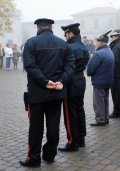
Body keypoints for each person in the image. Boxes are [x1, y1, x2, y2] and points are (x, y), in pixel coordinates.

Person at [20, 18, 75, 168]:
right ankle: (50, 155)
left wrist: (45, 82)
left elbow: (30, 66)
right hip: (57, 91)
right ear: (51, 27)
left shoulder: (31, 43)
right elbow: (71, 65)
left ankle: (34, 158)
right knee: (53, 125)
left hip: (37, 92)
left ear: (37, 28)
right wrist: (61, 81)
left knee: (36, 127)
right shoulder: (63, 44)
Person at [58, 23, 90, 152]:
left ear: (70, 33)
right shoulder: (83, 46)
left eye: (66, 34)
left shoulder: (69, 47)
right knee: (79, 111)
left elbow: (64, 65)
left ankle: (72, 142)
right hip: (81, 79)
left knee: (70, 113)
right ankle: (81, 139)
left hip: (71, 81)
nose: (65, 37)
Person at [87, 31, 114, 126]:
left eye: (97, 41)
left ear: (101, 42)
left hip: (99, 81)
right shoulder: (109, 52)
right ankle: (105, 118)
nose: (95, 43)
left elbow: (90, 68)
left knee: (98, 101)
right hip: (107, 80)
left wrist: (89, 72)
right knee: (105, 100)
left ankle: (100, 119)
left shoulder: (98, 53)